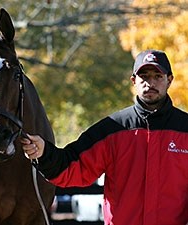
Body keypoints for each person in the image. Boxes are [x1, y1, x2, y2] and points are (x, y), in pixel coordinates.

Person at [21, 49, 188, 225]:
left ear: (169, 80)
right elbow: (73, 168)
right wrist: (44, 152)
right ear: (134, 81)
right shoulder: (112, 128)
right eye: (144, 76)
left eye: (157, 76)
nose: (150, 83)